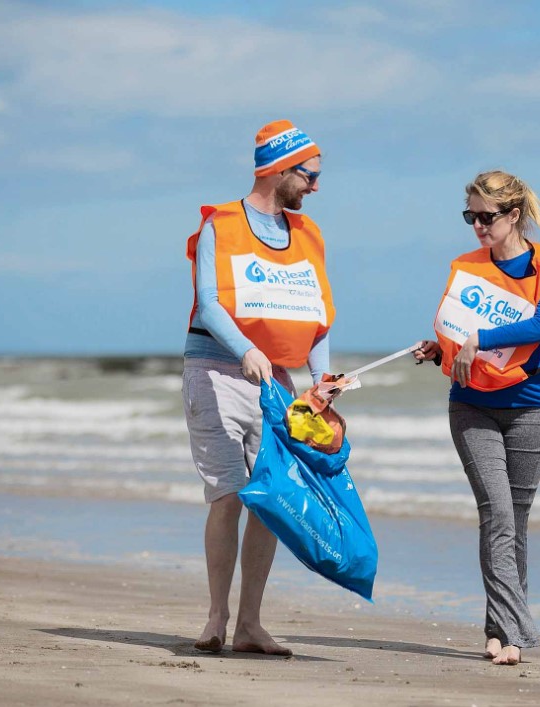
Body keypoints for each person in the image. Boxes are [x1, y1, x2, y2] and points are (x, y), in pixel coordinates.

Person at [414, 170, 540, 665]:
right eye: (470, 216)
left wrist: (476, 341)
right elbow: (459, 329)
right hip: (472, 406)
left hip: (533, 408)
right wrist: (441, 348)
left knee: (516, 522)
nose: (476, 226)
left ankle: (498, 628)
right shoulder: (468, 268)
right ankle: (514, 636)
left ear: (514, 215)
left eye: (485, 217)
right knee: (498, 513)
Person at [181, 120, 334, 656]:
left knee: (269, 501)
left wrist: (322, 381)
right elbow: (209, 301)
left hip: (279, 382)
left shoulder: (309, 235)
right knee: (227, 496)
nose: (315, 186)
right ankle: (216, 618)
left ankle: (250, 623)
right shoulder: (220, 224)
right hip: (218, 371)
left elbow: (316, 318)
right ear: (280, 170)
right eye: (309, 176)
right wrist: (245, 349)